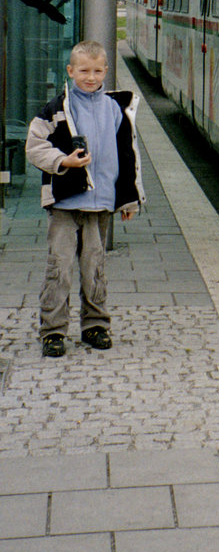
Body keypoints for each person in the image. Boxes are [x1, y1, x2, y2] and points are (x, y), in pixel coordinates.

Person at [25, 40, 144, 358]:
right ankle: (53, 331)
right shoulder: (57, 109)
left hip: (100, 202)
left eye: (96, 70)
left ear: (106, 71)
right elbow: (35, 146)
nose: (90, 77)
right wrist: (64, 162)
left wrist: (128, 200)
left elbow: (127, 155)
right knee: (59, 268)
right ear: (71, 71)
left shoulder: (115, 110)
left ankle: (96, 325)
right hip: (65, 203)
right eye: (83, 71)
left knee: (94, 267)